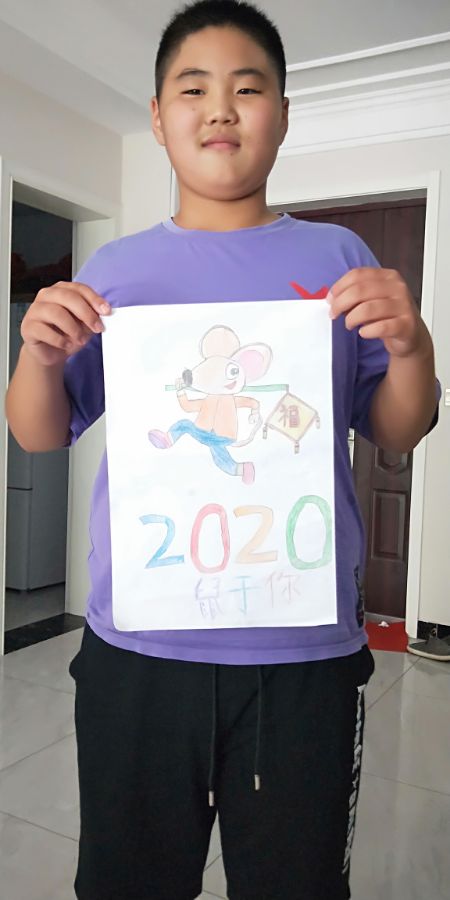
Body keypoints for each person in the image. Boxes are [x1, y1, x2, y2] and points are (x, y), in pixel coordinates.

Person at [5, 2, 439, 898]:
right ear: (158, 117)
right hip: (138, 651)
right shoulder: (115, 272)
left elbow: (397, 429)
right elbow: (38, 432)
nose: (221, 109)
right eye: (193, 89)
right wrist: (37, 356)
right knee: (126, 879)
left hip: (302, 656)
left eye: (249, 88)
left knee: (295, 882)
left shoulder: (339, 255)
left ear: (283, 113)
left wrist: (411, 348)